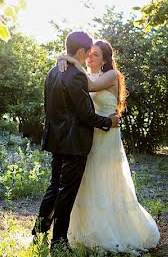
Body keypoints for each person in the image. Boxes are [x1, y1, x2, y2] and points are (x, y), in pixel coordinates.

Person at [56, 40, 160, 252]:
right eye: (89, 54)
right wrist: (65, 60)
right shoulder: (84, 73)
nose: (90, 57)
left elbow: (92, 87)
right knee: (87, 181)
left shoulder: (111, 76)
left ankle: (111, 233)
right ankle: (86, 232)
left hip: (107, 135)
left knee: (104, 180)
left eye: (95, 55)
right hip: (89, 135)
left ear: (105, 59)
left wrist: (71, 61)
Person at [34, 31, 119, 245]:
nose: (88, 56)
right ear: (80, 51)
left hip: (56, 139)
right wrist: (109, 122)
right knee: (67, 193)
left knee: (54, 186)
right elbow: (85, 114)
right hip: (74, 143)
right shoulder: (77, 75)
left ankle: (38, 232)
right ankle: (59, 242)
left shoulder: (53, 72)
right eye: (87, 52)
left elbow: (49, 108)